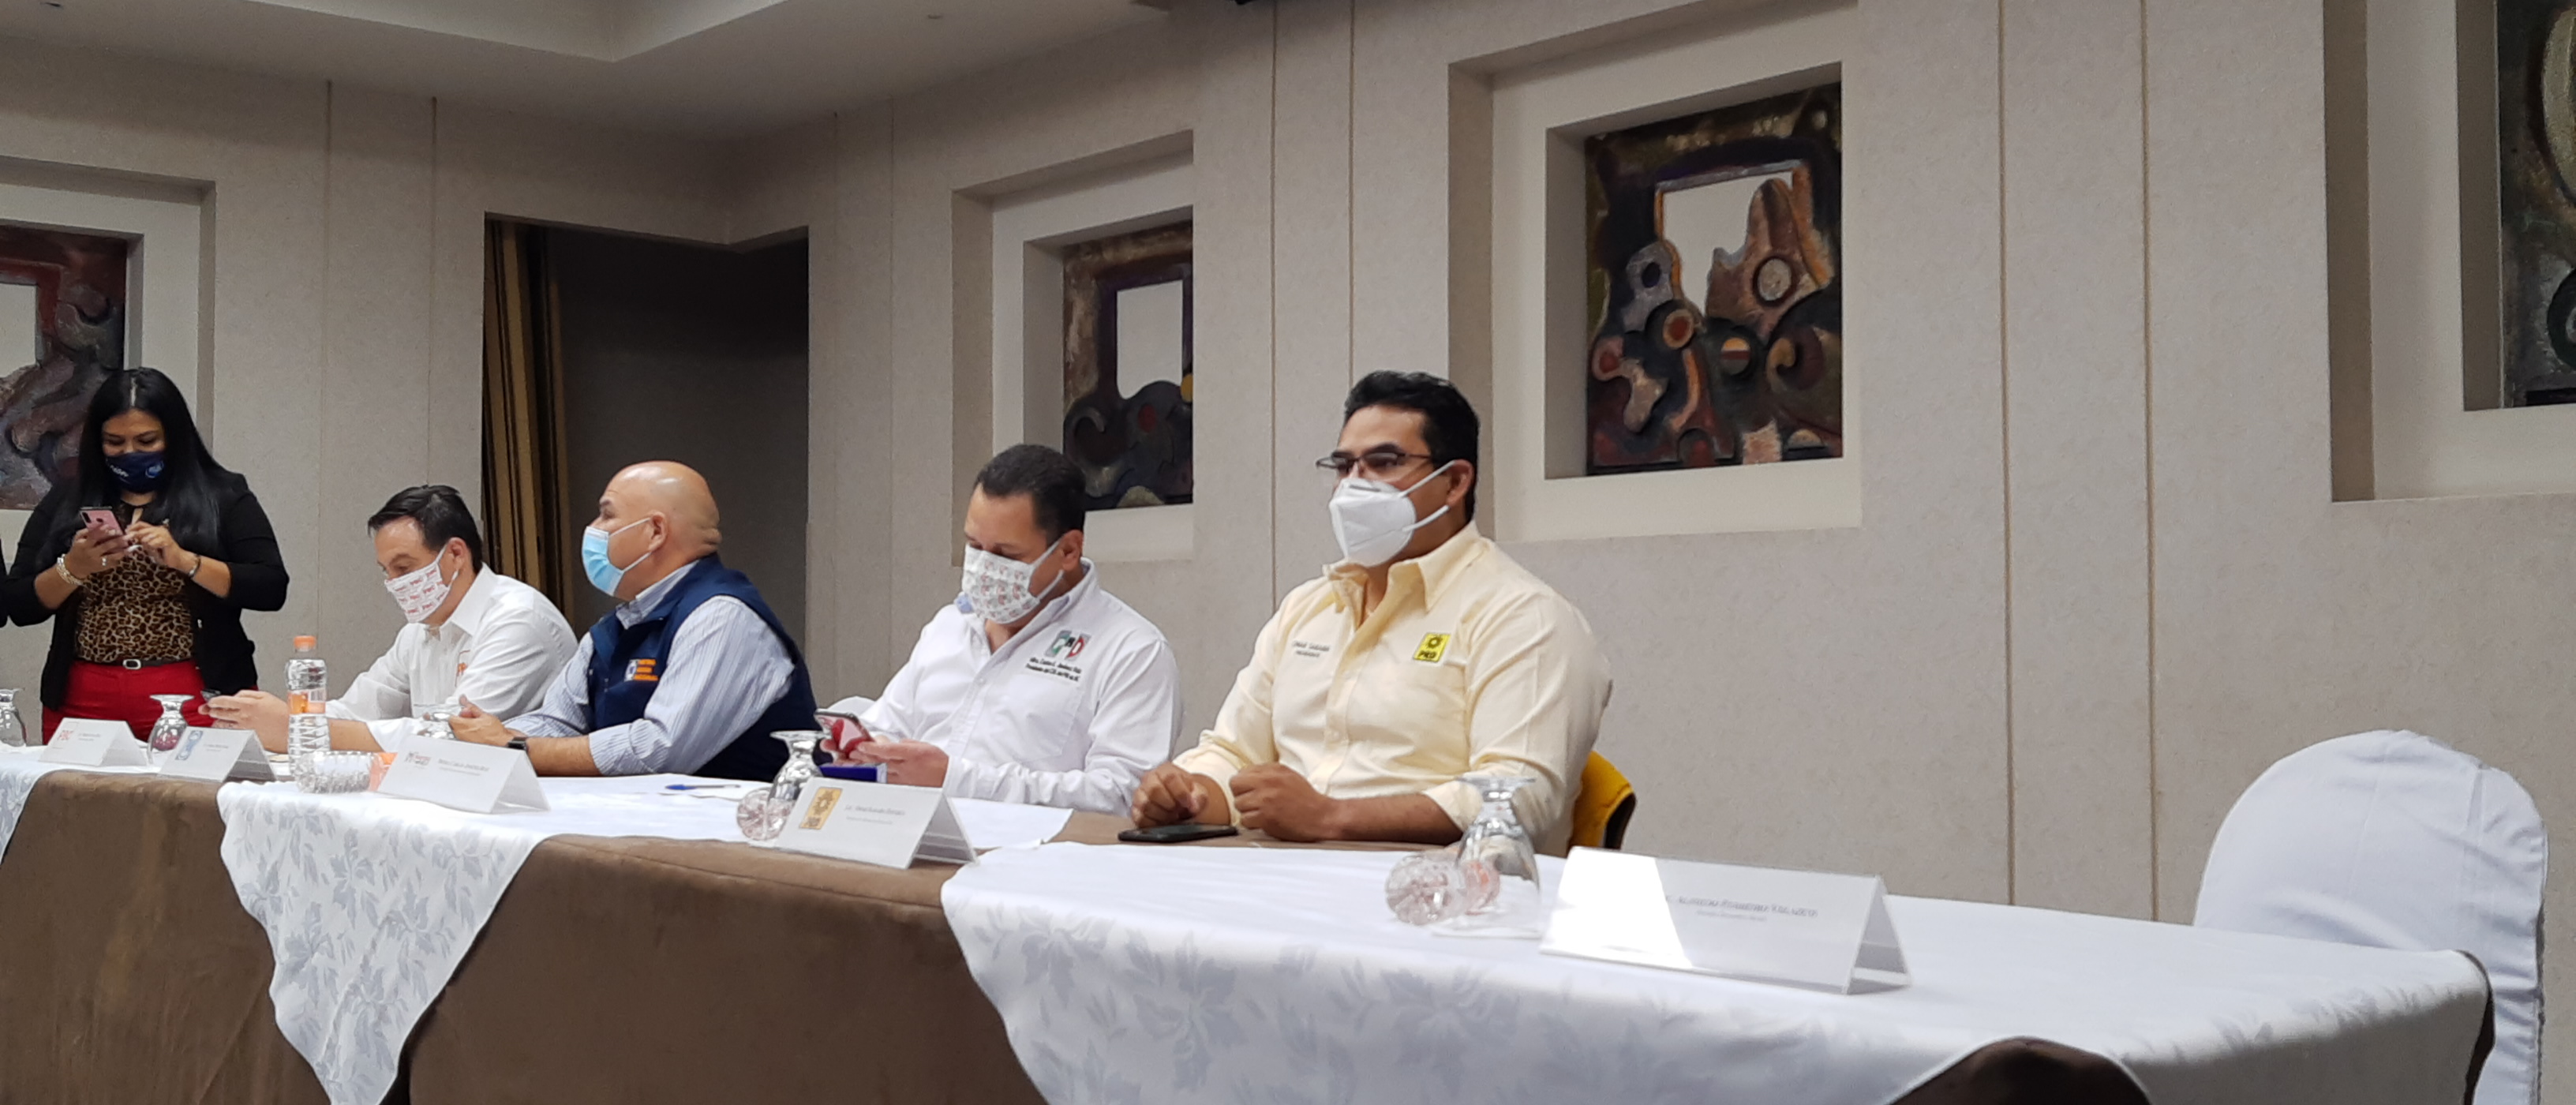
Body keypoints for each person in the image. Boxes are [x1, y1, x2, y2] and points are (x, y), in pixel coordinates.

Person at [1129, 371, 1612, 852]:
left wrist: (1331, 818)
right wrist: (1189, 795)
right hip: (1279, 876)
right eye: (1344, 466)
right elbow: (1234, 753)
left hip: (1433, 889)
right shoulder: (1308, 608)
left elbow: (1517, 798)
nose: (1355, 486)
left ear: (1454, 482)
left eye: (1384, 462)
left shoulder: (1523, 616)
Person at [817, 444, 1180, 814]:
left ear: (1069, 551)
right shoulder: (949, 626)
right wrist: (865, 751)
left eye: (1007, 555)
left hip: (1036, 848)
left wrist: (954, 779)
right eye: (975, 546)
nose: (985, 568)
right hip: (909, 834)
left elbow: (1121, 797)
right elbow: (890, 726)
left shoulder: (1131, 650)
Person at [447, 460, 818, 780]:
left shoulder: (722, 617)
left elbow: (659, 749)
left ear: (655, 531)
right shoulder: (618, 626)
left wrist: (515, 746)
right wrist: (479, 739)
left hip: (736, 831)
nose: (593, 528)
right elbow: (558, 722)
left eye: (607, 515)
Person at [0, 368, 288, 740]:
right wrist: (73, 568)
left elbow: (270, 588)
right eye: (114, 442)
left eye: (146, 440)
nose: (129, 453)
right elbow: (19, 606)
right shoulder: (68, 499)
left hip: (194, 694)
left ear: (174, 436)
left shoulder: (221, 495)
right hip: (84, 698)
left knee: (197, 780)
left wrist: (186, 562)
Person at [204, 485, 577, 752]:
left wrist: (300, 730)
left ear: (456, 554)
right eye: (386, 571)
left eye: (404, 568)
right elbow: (360, 709)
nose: (394, 584)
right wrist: (280, 718)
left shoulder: (517, 620)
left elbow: (454, 736)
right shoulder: (419, 630)